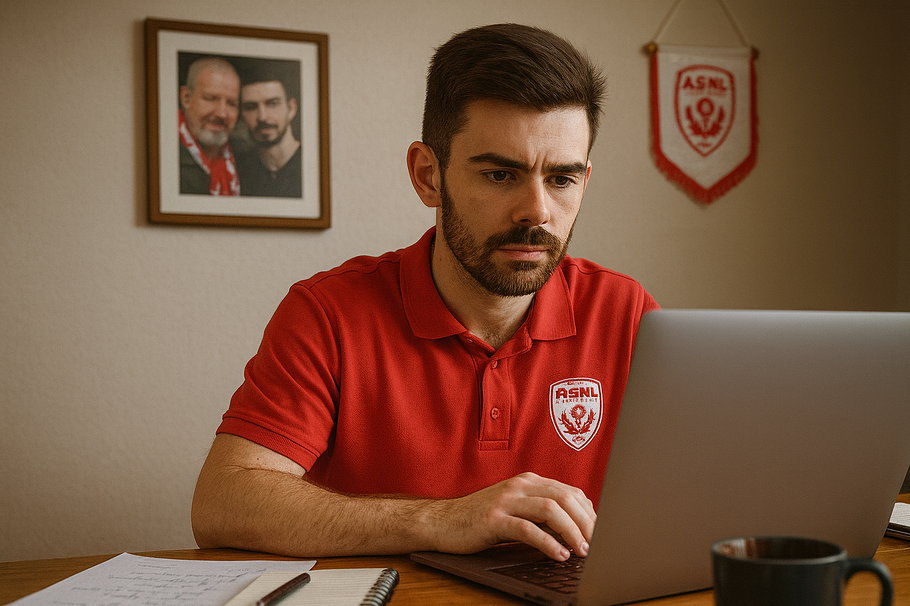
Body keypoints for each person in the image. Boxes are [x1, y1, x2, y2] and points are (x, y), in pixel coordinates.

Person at [191, 23, 659, 563]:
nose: (537, 211)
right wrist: (440, 518)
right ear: (427, 175)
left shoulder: (628, 314)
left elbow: (708, 491)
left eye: (562, 178)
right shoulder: (328, 313)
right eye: (501, 175)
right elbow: (222, 503)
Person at [234, 68, 302, 198]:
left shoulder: (311, 165)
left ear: (292, 109)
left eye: (273, 104)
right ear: (241, 115)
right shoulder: (237, 172)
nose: (262, 117)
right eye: (251, 107)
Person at [178, 56, 241, 196]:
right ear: (186, 97)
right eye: (210, 99)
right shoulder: (166, 156)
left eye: (231, 103)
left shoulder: (246, 159)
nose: (222, 114)